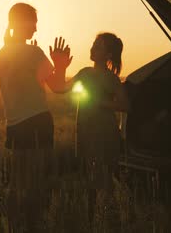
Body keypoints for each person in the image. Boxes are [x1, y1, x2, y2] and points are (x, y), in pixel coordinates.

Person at [0, 2, 72, 230]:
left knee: (17, 183)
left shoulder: (3, 52)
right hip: (37, 122)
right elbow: (59, 87)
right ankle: (32, 226)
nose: (36, 29)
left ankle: (13, 226)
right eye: (34, 23)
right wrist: (61, 66)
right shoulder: (33, 52)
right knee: (36, 183)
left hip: (14, 124)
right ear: (23, 22)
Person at [52, 33, 129, 199]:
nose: (92, 48)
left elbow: (125, 105)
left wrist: (99, 102)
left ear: (108, 54)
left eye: (98, 46)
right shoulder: (85, 73)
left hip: (104, 135)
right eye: (94, 44)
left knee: (103, 182)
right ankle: (97, 217)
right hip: (86, 131)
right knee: (89, 179)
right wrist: (60, 65)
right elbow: (59, 88)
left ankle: (105, 216)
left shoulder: (112, 79)